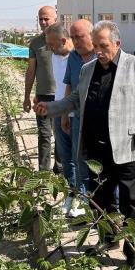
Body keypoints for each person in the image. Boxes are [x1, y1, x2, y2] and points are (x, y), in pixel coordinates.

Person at [34, 21, 135, 270]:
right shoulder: (88, 69)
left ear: (117, 44)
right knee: (99, 200)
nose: (100, 51)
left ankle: (134, 253)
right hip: (96, 149)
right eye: (97, 46)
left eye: (104, 46)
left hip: (128, 149)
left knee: (130, 204)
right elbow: (75, 99)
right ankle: (108, 237)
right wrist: (52, 109)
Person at [44, 22, 84, 217]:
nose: (50, 48)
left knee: (80, 158)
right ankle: (71, 195)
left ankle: (81, 198)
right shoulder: (54, 56)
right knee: (66, 158)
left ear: (63, 40)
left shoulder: (78, 58)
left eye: (52, 44)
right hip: (61, 112)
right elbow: (61, 88)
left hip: (76, 113)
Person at [23, 6, 60, 173]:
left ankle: (60, 170)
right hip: (42, 96)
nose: (43, 22)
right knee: (44, 135)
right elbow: (31, 71)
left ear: (55, 19)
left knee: (61, 136)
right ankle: (44, 174)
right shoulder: (35, 43)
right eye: (40, 19)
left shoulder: (64, 41)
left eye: (47, 19)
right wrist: (26, 96)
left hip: (61, 96)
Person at [62, 19, 96, 202]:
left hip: (98, 120)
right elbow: (69, 85)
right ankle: (82, 198)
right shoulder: (73, 57)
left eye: (79, 36)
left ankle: (99, 200)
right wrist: (65, 114)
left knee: (97, 161)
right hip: (76, 117)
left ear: (91, 35)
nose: (75, 41)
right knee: (78, 158)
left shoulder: (102, 56)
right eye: (73, 37)